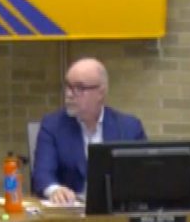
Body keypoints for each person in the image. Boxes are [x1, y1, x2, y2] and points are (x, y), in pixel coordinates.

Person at [32, 57, 147, 204]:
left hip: (116, 215)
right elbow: (42, 175)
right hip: (71, 217)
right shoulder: (52, 126)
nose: (69, 94)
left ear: (101, 92)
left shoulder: (129, 127)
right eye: (68, 86)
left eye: (79, 88)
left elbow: (143, 178)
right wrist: (55, 190)